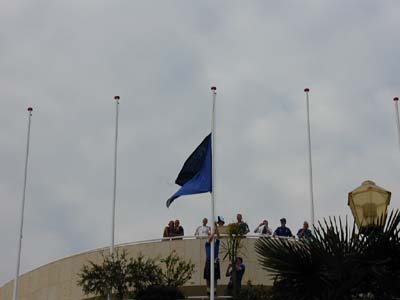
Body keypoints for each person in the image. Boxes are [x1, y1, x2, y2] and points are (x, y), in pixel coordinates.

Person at [204, 217, 224, 296]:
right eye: (209, 234)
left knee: (215, 277)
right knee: (207, 277)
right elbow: (211, 238)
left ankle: (214, 290)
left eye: (210, 234)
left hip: (215, 260)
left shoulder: (216, 243)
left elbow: (218, 236)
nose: (210, 235)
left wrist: (215, 226)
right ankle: (208, 290)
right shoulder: (207, 243)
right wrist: (213, 231)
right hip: (209, 260)